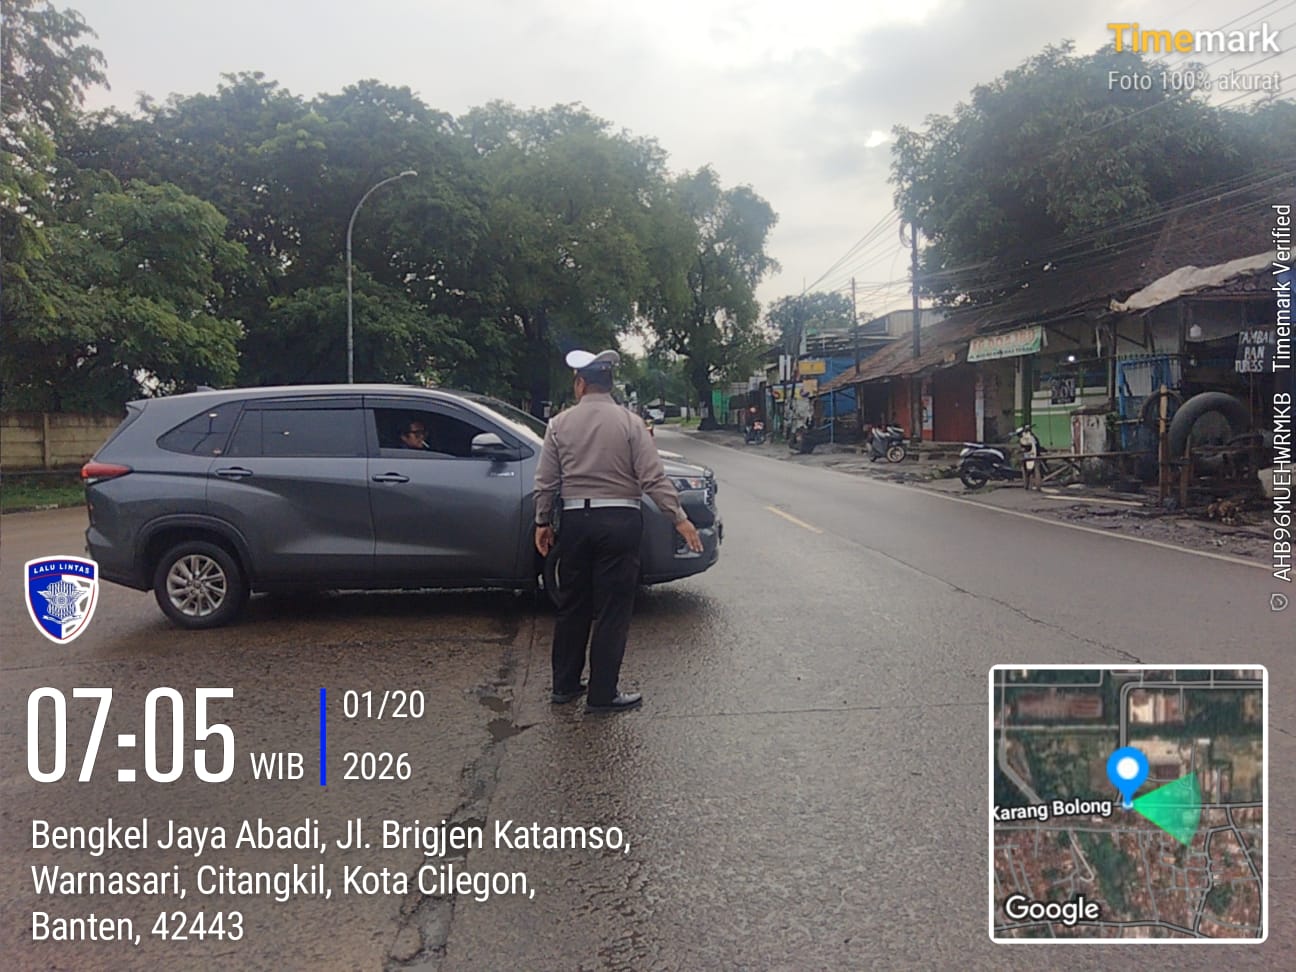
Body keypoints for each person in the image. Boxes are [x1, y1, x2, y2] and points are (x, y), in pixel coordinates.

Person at [534, 348, 703, 712]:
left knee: (573, 604)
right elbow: (652, 477)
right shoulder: (631, 423)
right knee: (613, 608)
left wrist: (542, 521)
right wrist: (679, 518)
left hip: (576, 521)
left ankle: (564, 685)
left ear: (581, 384)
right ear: (610, 383)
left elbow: (546, 481)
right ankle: (602, 694)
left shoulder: (558, 424)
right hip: (620, 522)